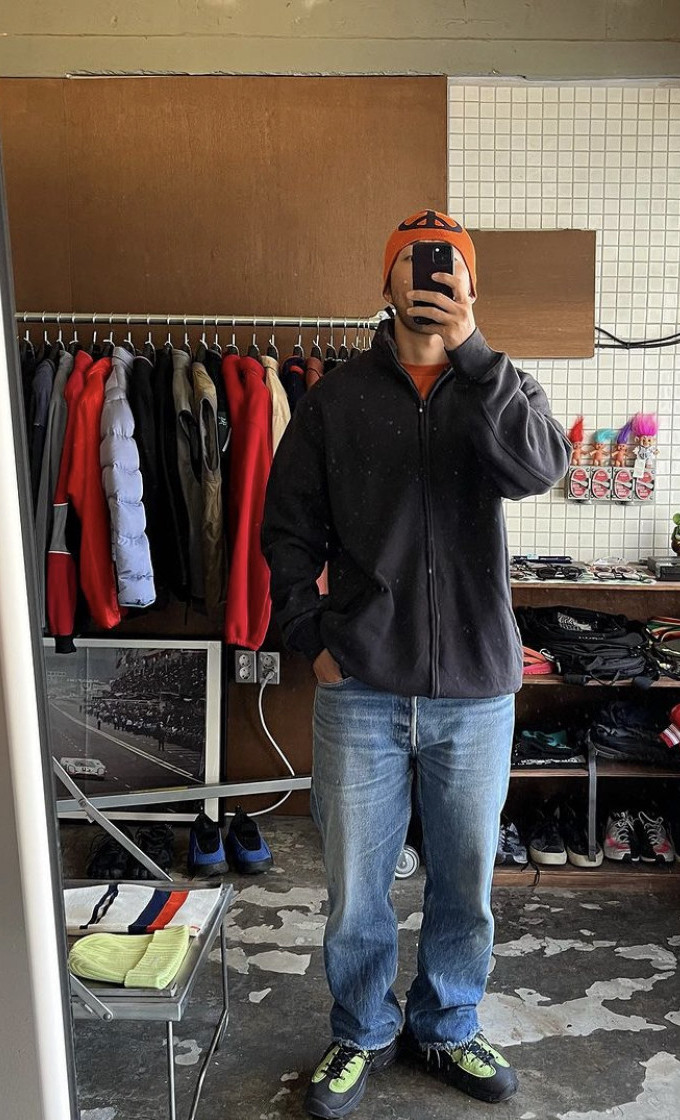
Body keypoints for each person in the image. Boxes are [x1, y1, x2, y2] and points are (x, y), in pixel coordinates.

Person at [261, 209, 570, 1118]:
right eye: (411, 262)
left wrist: (474, 353)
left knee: (465, 880)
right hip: (359, 686)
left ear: (471, 287)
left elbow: (540, 468)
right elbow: (285, 531)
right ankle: (361, 1030)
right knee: (356, 886)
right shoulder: (335, 400)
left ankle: (447, 1024)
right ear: (386, 283)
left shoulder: (500, 386)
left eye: (447, 267)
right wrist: (311, 639)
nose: (428, 277)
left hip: (475, 691)